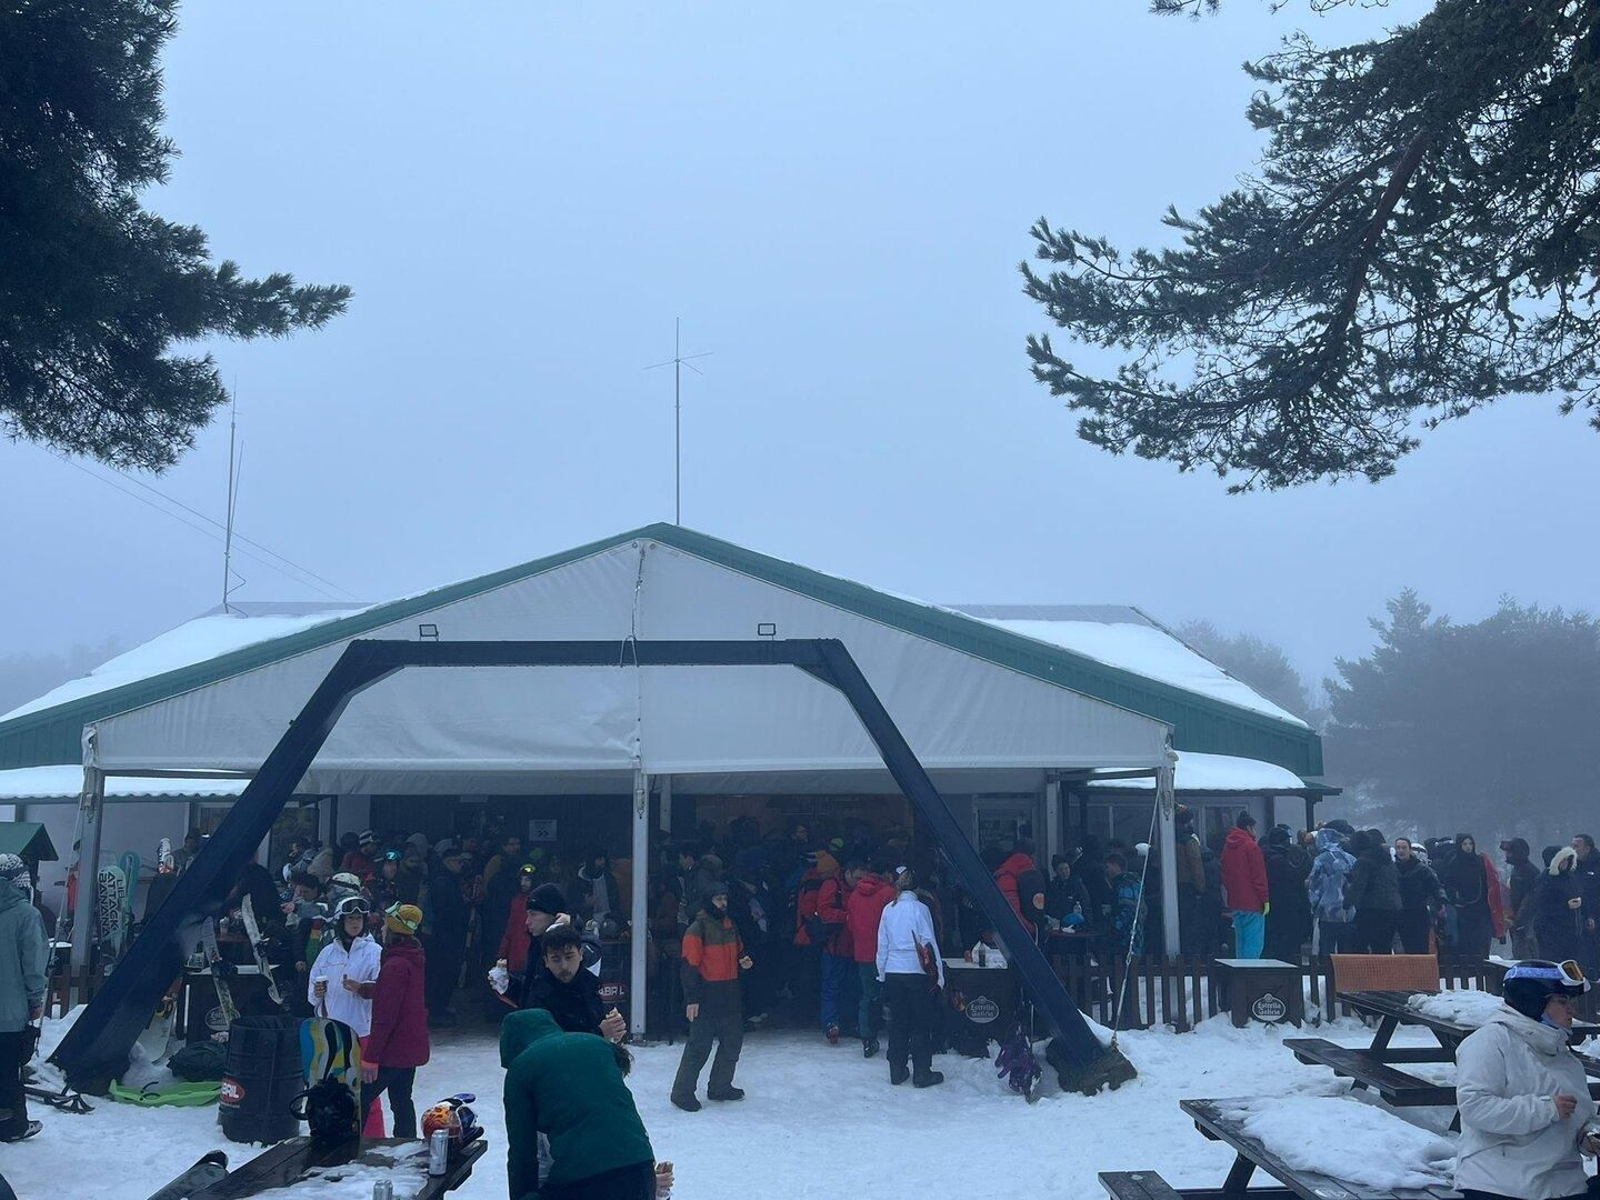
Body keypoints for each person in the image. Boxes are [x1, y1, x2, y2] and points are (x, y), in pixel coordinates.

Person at [1453, 959, 1600, 1200]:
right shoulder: (1490, 1041)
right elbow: (1474, 1107)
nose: (1571, 1009)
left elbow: (1581, 1115)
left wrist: (1588, 1137)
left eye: (1571, 1002)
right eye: (1562, 1002)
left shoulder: (1565, 1057)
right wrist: (1546, 1109)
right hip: (1499, 1184)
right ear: (1532, 1001)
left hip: (1562, 1184)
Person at [502, 1009, 658, 1200]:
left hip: (583, 1179)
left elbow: (522, 1152)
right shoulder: (597, 1043)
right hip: (641, 1167)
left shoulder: (521, 1068)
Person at [308, 895, 385, 1137]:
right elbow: (311, 995)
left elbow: (383, 991)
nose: (355, 923)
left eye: (359, 918)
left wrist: (362, 988)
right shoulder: (327, 954)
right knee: (335, 1092)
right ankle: (339, 1139)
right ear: (340, 922)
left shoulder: (375, 952)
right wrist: (317, 991)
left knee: (368, 1095)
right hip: (333, 1035)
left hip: (363, 1033)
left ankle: (373, 1142)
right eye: (350, 918)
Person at [671, 881, 751, 1112]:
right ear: (708, 901)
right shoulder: (697, 928)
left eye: (725, 898)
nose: (723, 903)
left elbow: (739, 950)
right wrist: (691, 999)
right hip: (706, 996)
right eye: (718, 899)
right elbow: (689, 967)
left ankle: (720, 1086)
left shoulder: (730, 925)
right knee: (698, 1048)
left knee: (732, 1044)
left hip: (730, 993)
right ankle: (682, 1092)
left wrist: (744, 959)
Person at [361, 903, 430, 1139]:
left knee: (361, 1098)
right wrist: (368, 990)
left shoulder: (394, 965)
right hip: (410, 1048)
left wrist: (371, 1057)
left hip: (392, 1050)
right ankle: (406, 1145)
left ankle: (345, 1152)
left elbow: (386, 1017)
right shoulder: (413, 958)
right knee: (401, 1100)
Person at [875, 866, 944, 1088]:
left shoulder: (888, 909)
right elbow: (929, 942)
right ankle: (922, 1072)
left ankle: (897, 1068)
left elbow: (882, 944)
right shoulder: (920, 909)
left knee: (898, 1022)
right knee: (920, 1022)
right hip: (916, 971)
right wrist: (939, 974)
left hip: (894, 971)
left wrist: (882, 972)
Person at [0, 855, 45, 1143]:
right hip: (9, 1011)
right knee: (8, 1070)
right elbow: (33, 963)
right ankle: (11, 1125)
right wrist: (35, 997)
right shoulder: (26, 915)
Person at [519, 924, 626, 1041]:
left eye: (569, 957)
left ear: (581, 954)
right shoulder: (539, 996)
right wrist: (599, 1034)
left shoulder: (591, 984)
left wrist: (614, 1030)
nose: (564, 966)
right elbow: (548, 1045)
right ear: (546, 961)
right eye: (556, 959)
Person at [845, 860, 894, 1058]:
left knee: (867, 995)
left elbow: (851, 924)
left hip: (863, 952)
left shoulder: (855, 895)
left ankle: (867, 1037)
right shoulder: (888, 894)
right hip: (886, 954)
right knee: (892, 996)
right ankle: (896, 1037)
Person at [425, 843, 470, 1026]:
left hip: (446, 936)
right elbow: (444, 911)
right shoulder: (443, 881)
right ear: (449, 861)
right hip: (445, 938)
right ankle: (437, 1010)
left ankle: (440, 1007)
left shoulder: (447, 879)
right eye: (459, 861)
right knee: (442, 974)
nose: (462, 865)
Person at [1442, 833, 1506, 958]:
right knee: (1466, 940)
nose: (1468, 847)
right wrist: (1455, 898)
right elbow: (1448, 884)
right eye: (1465, 844)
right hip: (1464, 909)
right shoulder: (1453, 864)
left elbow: (1490, 881)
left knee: (1482, 939)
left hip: (1482, 907)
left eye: (1470, 844)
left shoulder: (1480, 861)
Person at [815, 854, 855, 1045]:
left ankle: (841, 1022)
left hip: (849, 946)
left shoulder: (841, 886)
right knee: (832, 986)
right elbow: (824, 912)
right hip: (834, 945)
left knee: (845, 986)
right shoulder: (832, 886)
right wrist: (848, 917)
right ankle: (832, 1023)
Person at [1219, 812, 1269, 959]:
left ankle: (1240, 974)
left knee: (1240, 941)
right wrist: (1265, 899)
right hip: (1253, 902)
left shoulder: (1227, 847)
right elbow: (1258, 876)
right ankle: (1250, 975)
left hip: (1235, 901)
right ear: (1248, 827)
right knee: (1254, 942)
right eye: (1254, 828)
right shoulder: (1251, 847)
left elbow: (1224, 873)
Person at [1345, 829, 1402, 954]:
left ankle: (1364, 972)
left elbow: (1358, 886)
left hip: (1371, 908)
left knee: (1357, 944)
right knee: (1383, 946)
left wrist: (1347, 903)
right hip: (1392, 908)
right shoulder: (1388, 861)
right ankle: (1383, 972)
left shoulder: (1363, 862)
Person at [1261, 826, 1312, 963]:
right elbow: (1294, 878)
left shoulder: (1265, 856)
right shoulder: (1278, 860)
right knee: (1287, 947)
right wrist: (1307, 864)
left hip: (1271, 906)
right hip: (1285, 907)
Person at [1534, 848, 1586, 966]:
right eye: (1562, 860)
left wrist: (1583, 909)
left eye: (1567, 860)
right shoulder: (1545, 879)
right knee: (1553, 963)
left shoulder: (1571, 878)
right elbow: (1542, 905)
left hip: (1572, 929)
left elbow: (1580, 893)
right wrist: (1565, 906)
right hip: (1551, 931)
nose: (1565, 863)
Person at [1308, 827, 1356, 955]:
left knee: (1327, 947)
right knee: (1346, 948)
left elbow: (1314, 885)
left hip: (1327, 911)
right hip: (1348, 911)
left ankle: (1327, 972)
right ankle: (1344, 973)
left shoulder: (1320, 859)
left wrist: (1314, 905)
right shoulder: (1351, 858)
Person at [1395, 837, 1446, 954]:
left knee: (1420, 948)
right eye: (1398, 848)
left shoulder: (1422, 869)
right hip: (1399, 913)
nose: (1401, 851)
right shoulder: (1391, 868)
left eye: (1404, 848)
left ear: (1409, 850)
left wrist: (1441, 902)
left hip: (1418, 912)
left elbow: (1436, 886)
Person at [1502, 838, 1542, 960]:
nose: (1507, 855)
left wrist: (1520, 920)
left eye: (1510, 852)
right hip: (1518, 917)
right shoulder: (1518, 870)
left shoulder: (1529, 871)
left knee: (1526, 953)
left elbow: (1531, 899)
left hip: (1526, 920)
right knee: (1519, 950)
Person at [1570, 835, 1600, 976]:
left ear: (1587, 848)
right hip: (1579, 917)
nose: (1573, 849)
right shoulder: (1573, 867)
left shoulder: (1597, 865)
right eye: (1572, 845)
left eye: (1577, 846)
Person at [1044, 853, 1094, 929]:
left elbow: (1086, 905)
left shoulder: (1077, 885)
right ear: (1056, 871)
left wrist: (1088, 924)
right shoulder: (1052, 886)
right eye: (1061, 869)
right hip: (1057, 926)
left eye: (1066, 868)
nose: (1064, 872)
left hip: (1075, 927)